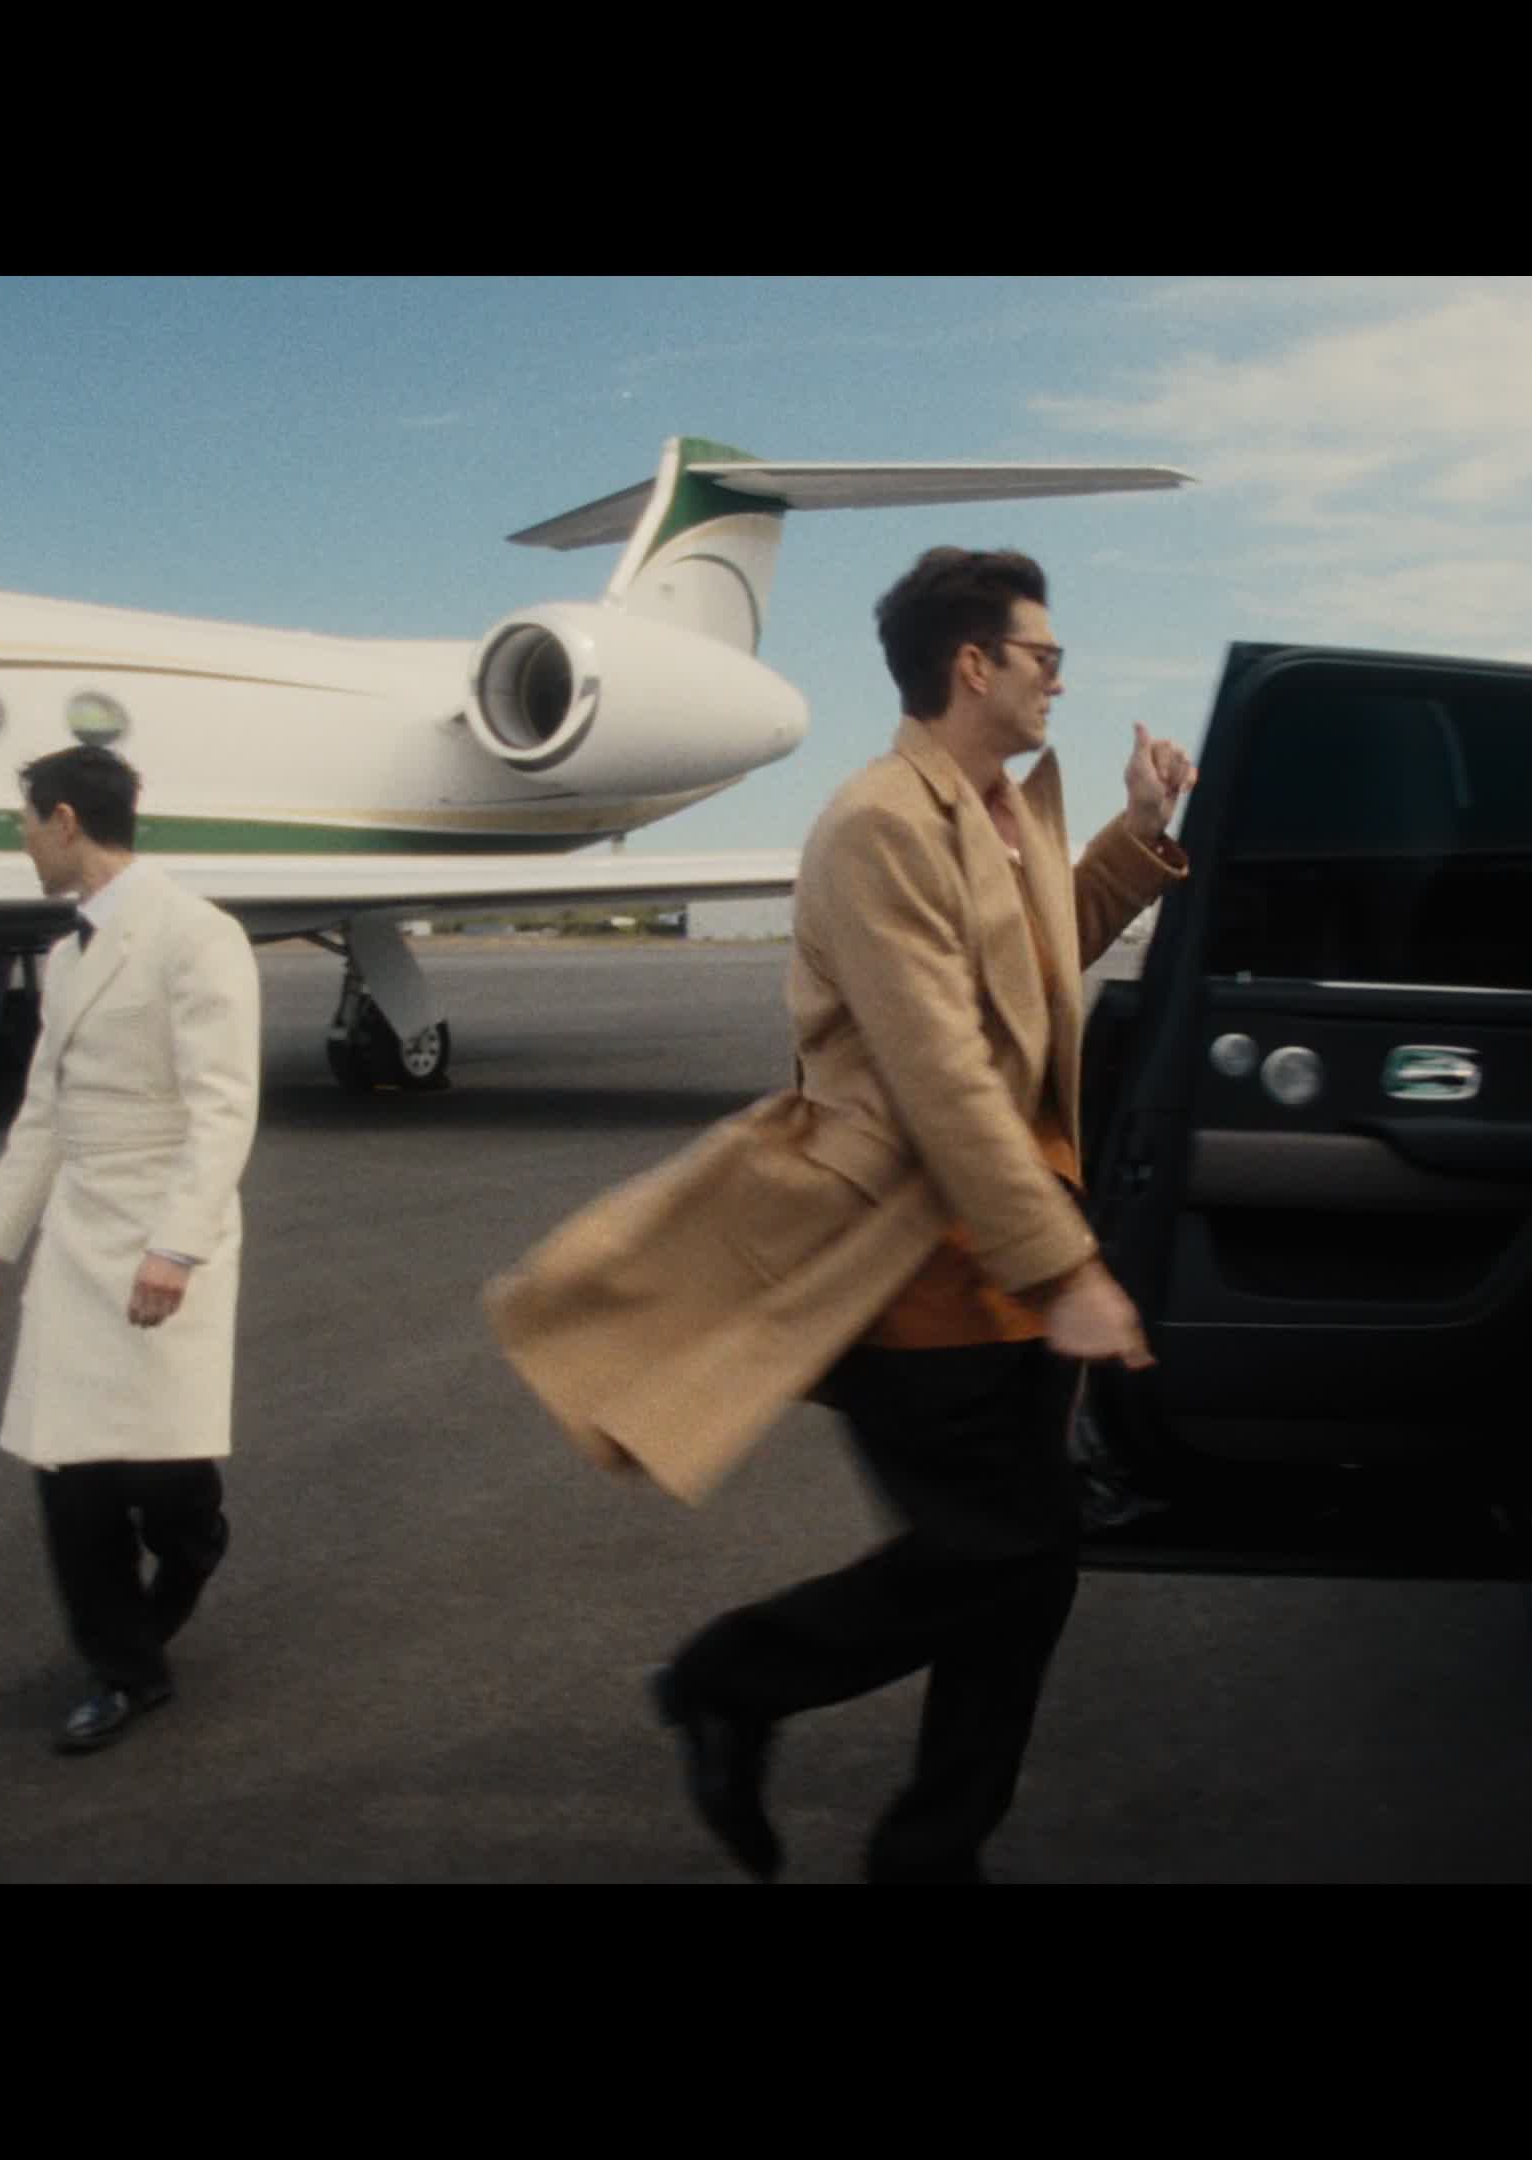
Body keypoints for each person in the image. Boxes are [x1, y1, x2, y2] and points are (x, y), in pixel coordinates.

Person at [487, 546, 1194, 1883]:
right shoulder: (879, 822)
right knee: (996, 1550)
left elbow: (1044, 959)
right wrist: (1069, 1273)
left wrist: (1142, 830)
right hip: (909, 1259)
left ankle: (929, 1853)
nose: (1060, 679)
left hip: (1010, 1249)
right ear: (972, 664)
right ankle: (729, 1682)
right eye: (1044, 656)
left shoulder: (999, 810)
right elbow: (940, 1072)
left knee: (1025, 1571)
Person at [0, 744, 259, 1755]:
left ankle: (196, 1538)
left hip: (165, 1227)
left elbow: (223, 1108)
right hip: (79, 1236)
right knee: (71, 1467)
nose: (23, 842)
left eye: (26, 822)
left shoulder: (197, 935)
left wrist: (177, 1247)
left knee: (165, 1475)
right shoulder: (69, 955)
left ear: (66, 821)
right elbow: (44, 1113)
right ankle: (125, 1670)